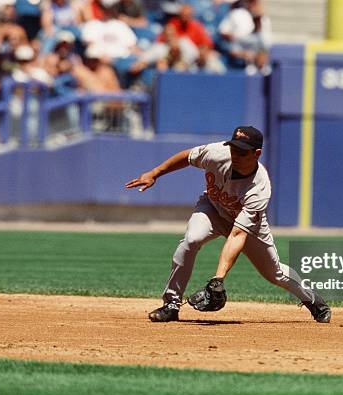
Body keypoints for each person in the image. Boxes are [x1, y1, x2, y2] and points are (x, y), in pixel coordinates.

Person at [125, 126, 332, 323]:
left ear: (257, 153)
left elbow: (237, 235)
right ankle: (171, 305)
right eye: (234, 148)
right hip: (213, 209)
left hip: (247, 228)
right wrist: (155, 173)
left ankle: (313, 300)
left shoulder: (259, 187)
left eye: (242, 152)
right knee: (190, 240)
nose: (235, 155)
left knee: (274, 273)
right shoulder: (217, 153)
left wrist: (218, 279)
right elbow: (187, 157)